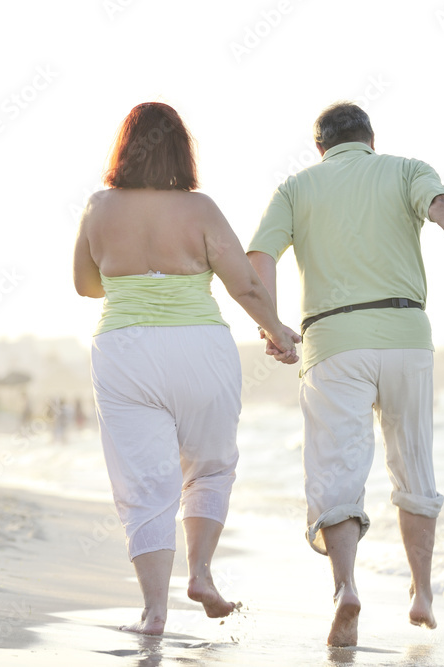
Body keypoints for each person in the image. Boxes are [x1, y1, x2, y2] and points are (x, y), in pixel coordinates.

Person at [247, 102, 444, 646]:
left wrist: (274, 326)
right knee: (413, 464)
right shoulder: (406, 170)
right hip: (405, 336)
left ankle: (346, 587)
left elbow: (261, 257)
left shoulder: (296, 188)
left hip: (331, 343)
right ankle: (421, 592)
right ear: (371, 138)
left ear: (320, 148)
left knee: (336, 471)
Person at [73, 102, 300, 636]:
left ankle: (154, 613)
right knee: (212, 465)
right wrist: (277, 332)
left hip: (124, 349)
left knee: (144, 482)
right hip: (200, 347)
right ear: (182, 150)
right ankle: (200, 574)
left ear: (124, 148)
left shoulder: (98, 207)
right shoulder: (200, 210)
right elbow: (243, 284)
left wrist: (137, 283)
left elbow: (85, 284)